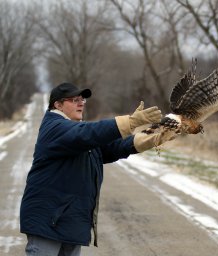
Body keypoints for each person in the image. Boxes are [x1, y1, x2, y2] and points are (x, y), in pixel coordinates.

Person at [20, 82, 177, 256]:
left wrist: (152, 138)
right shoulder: (55, 127)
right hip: (48, 222)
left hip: (69, 223)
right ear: (57, 105)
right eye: (74, 100)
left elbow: (112, 147)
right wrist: (131, 122)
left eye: (82, 100)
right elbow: (88, 133)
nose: (81, 103)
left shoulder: (77, 133)